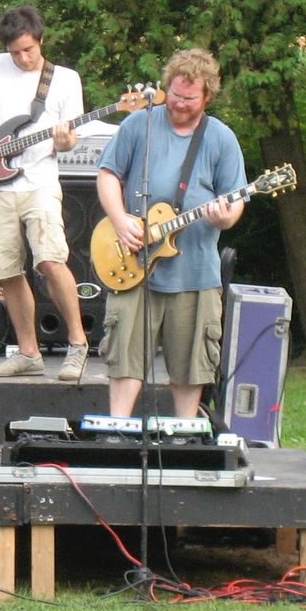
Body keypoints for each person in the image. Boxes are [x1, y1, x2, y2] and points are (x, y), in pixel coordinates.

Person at [97, 47, 247, 418]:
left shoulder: (221, 138)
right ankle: (116, 431)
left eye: (189, 99)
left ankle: (185, 433)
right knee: (124, 356)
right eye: (176, 94)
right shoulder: (139, 124)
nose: (179, 104)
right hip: (133, 264)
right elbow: (108, 174)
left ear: (207, 96)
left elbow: (235, 203)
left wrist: (222, 218)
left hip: (195, 272)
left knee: (192, 363)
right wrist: (120, 220)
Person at [0, 4, 91, 380]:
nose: (23, 58)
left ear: (41, 41)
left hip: (40, 180)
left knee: (50, 260)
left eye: (29, 50)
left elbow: (69, 140)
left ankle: (78, 344)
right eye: (15, 52)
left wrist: (64, 140)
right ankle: (28, 352)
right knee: (6, 268)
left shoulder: (65, 79)